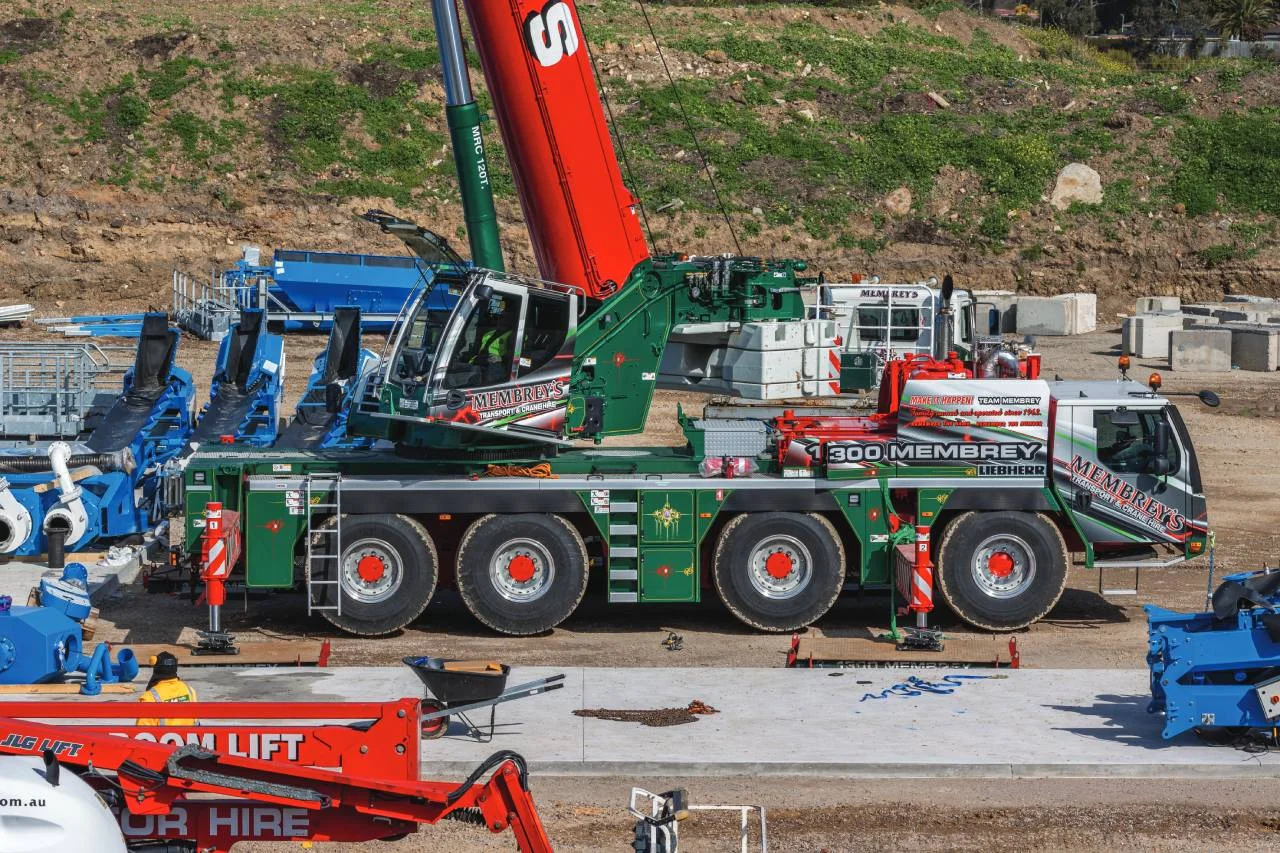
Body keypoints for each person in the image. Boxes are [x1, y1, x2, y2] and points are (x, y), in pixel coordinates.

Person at [136, 651, 198, 726]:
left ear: (156, 669)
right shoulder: (190, 691)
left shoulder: (149, 698)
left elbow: (142, 732)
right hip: (189, 737)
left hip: (162, 737)